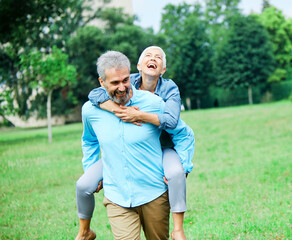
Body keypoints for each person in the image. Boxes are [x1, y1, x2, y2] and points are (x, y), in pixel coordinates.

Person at [76, 50, 195, 240]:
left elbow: (182, 132)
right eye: (115, 83)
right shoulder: (91, 110)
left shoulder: (156, 102)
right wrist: (90, 169)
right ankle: (84, 232)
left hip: (154, 192)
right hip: (118, 197)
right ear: (102, 83)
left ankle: (178, 230)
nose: (122, 87)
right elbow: (89, 141)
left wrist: (183, 164)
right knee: (82, 185)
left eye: (125, 80)